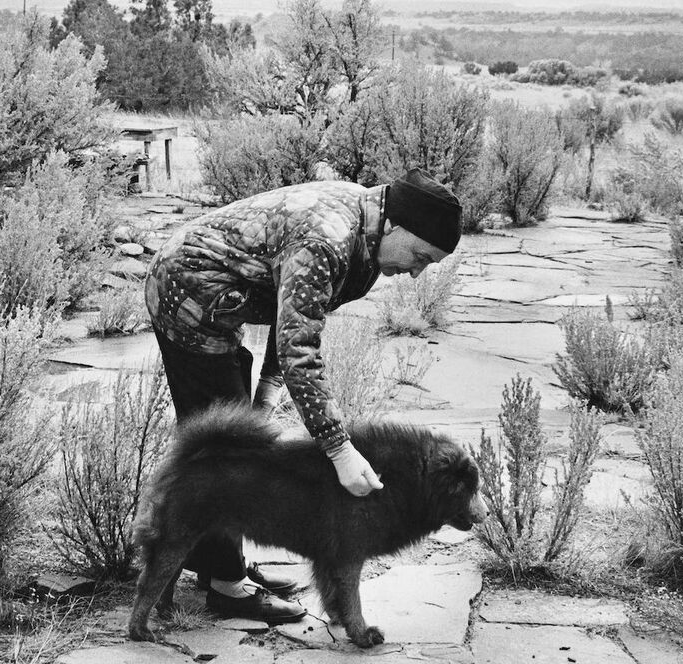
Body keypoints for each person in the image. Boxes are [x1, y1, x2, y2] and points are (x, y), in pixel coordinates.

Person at [144, 168, 463, 623]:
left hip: (226, 301)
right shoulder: (329, 240)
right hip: (187, 293)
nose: (415, 272)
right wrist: (340, 450)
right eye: (420, 256)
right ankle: (225, 584)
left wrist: (268, 393)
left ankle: (213, 563)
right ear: (396, 227)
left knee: (243, 433)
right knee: (223, 454)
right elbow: (300, 349)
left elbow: (292, 316)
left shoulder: (368, 236)